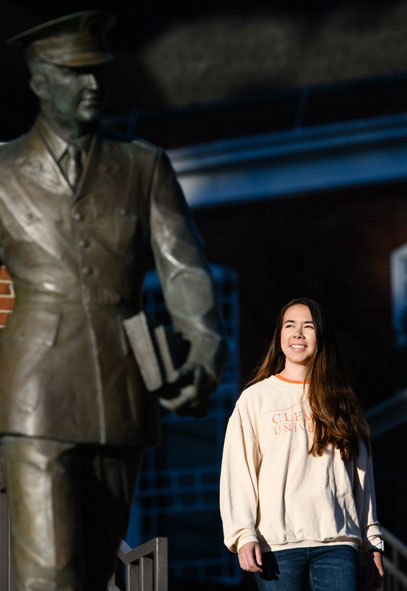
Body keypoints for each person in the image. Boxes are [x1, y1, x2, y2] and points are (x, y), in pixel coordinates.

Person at [0, 10, 227, 591]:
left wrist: (203, 347)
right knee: (47, 575)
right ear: (38, 80)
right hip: (33, 390)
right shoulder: (1, 171)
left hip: (124, 387)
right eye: (76, 74)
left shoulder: (142, 166)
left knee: (96, 571)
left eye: (98, 72)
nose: (93, 85)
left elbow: (185, 269)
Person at [220, 298, 384, 591]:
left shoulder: (343, 401)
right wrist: (243, 534)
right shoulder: (255, 399)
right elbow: (238, 473)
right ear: (279, 336)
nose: (298, 333)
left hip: (337, 543)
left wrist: (372, 541)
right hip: (276, 546)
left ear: (321, 337)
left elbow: (363, 477)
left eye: (308, 326)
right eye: (290, 325)